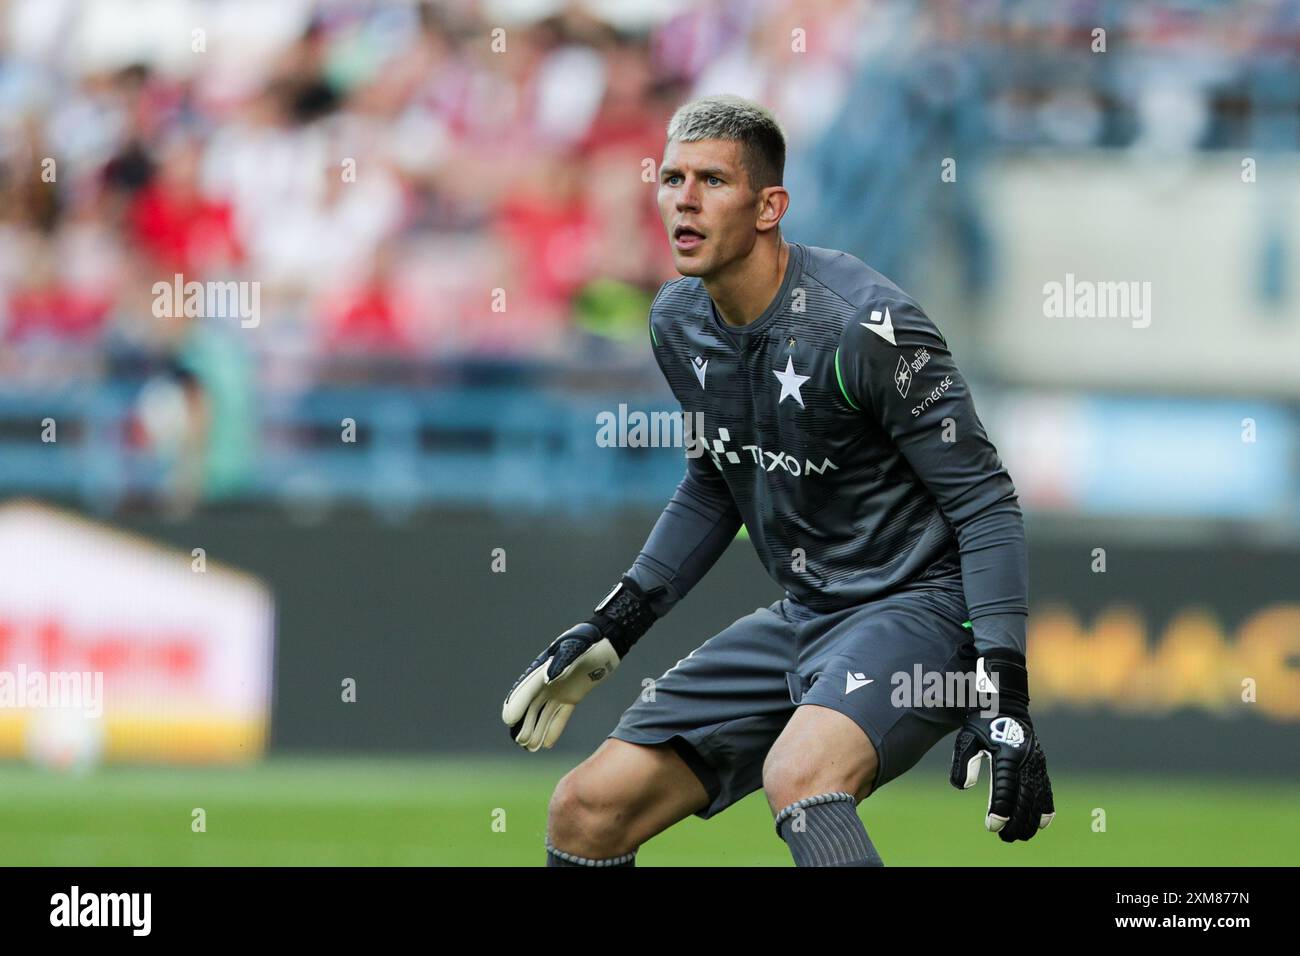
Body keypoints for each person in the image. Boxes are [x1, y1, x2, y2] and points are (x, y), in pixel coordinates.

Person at [503, 94, 1054, 867]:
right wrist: (616, 622)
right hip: (808, 613)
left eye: (712, 181)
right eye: (671, 178)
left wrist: (1005, 688)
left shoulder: (867, 325)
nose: (683, 200)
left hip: (926, 608)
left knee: (800, 775)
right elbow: (714, 483)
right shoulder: (676, 320)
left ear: (771, 207)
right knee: (587, 810)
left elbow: (985, 502)